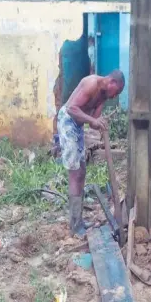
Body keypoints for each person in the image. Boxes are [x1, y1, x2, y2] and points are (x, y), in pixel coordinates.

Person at [57, 70, 125, 235]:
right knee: (75, 173)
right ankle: (75, 225)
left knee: (81, 173)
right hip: (67, 122)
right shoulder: (91, 83)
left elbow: (93, 122)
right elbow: (72, 108)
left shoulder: (103, 96)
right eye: (116, 92)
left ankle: (78, 221)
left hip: (78, 126)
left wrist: (99, 123)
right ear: (111, 82)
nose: (115, 96)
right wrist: (93, 120)